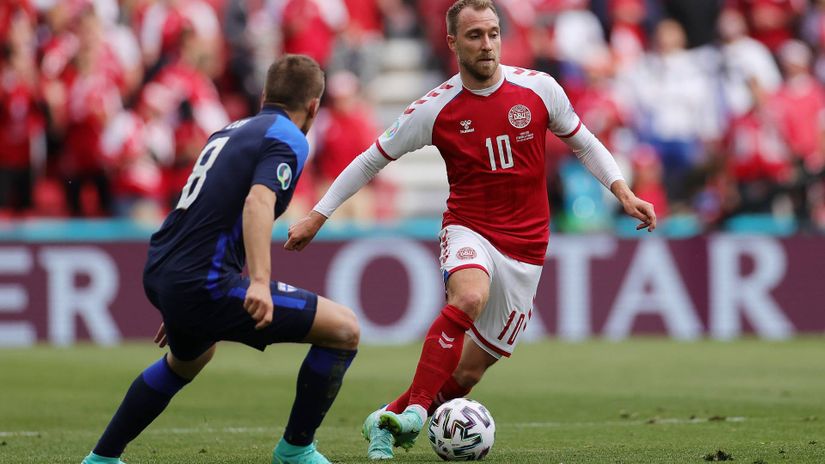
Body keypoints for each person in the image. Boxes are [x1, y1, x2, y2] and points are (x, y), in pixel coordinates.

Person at [286, 0, 656, 460]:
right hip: (469, 228)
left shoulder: (539, 89)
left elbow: (584, 143)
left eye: (493, 33)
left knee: (467, 376)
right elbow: (371, 158)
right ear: (452, 42)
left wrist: (624, 192)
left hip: (527, 250)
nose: (487, 45)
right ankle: (418, 414)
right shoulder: (435, 108)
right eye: (475, 35)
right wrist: (317, 215)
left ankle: (386, 419)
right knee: (468, 297)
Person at [80, 54, 360, 464]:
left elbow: (205, 210)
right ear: (314, 107)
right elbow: (258, 202)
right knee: (344, 330)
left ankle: (102, 458)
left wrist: (181, 296)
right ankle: (296, 450)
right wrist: (259, 282)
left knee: (190, 358)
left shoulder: (228, 131)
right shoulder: (289, 138)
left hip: (164, 266)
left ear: (265, 95)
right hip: (198, 281)